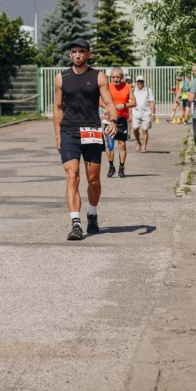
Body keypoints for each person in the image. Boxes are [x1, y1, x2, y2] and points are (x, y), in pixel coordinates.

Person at [54, 39, 118, 241]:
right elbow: (57, 108)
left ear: (88, 54)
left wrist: (114, 121)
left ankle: (92, 213)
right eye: (74, 51)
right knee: (72, 175)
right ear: (70, 55)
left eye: (82, 51)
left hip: (91, 130)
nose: (78, 55)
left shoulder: (98, 77)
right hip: (69, 131)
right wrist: (57, 135)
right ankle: (76, 223)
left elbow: (109, 102)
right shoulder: (61, 78)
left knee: (93, 179)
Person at [107, 67, 136, 177]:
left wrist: (124, 105)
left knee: (122, 144)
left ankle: (121, 167)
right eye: (113, 77)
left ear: (122, 77)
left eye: (118, 77)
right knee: (110, 145)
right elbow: (100, 100)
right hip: (109, 118)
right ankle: (111, 166)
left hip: (122, 118)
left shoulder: (127, 87)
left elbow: (134, 102)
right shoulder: (108, 87)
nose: (115, 79)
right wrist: (108, 107)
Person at [132, 75, 156, 152]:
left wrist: (153, 114)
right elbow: (130, 102)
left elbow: (151, 102)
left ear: (143, 82)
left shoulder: (148, 90)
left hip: (146, 113)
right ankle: (138, 142)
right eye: (138, 81)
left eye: (141, 81)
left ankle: (144, 146)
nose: (139, 83)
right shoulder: (133, 91)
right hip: (135, 112)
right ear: (136, 82)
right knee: (135, 128)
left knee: (144, 130)